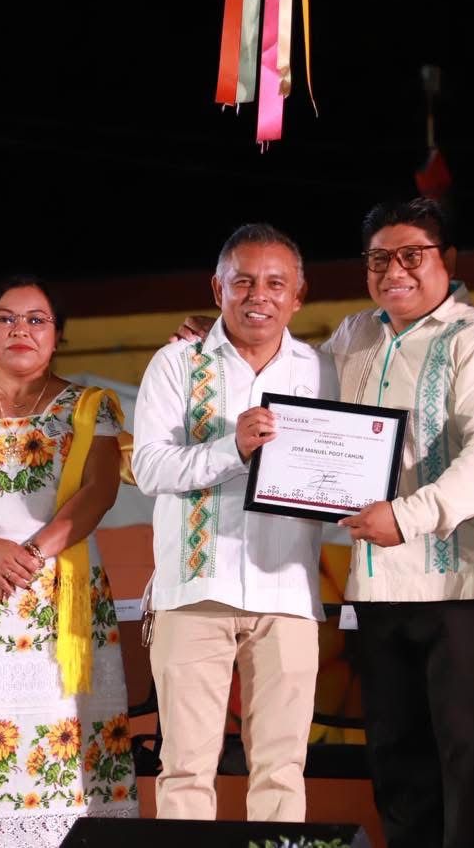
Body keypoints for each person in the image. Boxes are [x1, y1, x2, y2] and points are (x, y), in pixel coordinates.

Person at [173, 203, 474, 847]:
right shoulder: (356, 335)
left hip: (463, 585)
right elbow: (293, 383)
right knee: (396, 764)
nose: (395, 270)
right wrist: (220, 336)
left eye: (412, 255)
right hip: (377, 588)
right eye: (379, 258)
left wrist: (408, 515)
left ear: (447, 260)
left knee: (469, 766)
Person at [0, 275, 139, 846]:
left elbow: (98, 491)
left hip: (60, 603)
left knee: (67, 755)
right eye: (5, 318)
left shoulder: (89, 407)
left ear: (57, 335)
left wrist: (33, 553)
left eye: (37, 319)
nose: (21, 329)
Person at [133, 224, 338, 823]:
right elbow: (149, 467)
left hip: (288, 593)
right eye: (243, 281)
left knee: (282, 770)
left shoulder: (321, 370)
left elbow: (342, 468)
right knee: (185, 769)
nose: (259, 295)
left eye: (276, 283)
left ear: (298, 296)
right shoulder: (177, 363)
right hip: (195, 590)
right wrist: (234, 448)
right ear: (217, 288)